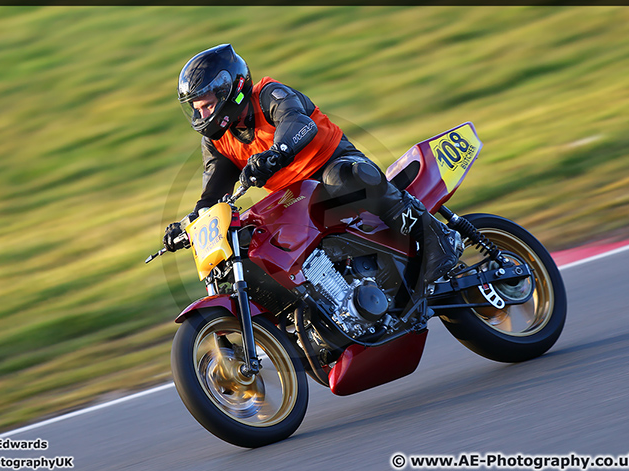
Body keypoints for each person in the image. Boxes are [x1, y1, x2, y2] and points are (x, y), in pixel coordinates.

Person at [164, 44, 462, 290]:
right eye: (196, 107)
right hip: (296, 195)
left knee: (343, 177)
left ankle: (436, 237)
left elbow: (297, 121)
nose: (202, 113)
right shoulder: (217, 141)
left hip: (335, 164)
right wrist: (191, 224)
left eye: (207, 104)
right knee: (262, 241)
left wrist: (277, 152)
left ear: (233, 90)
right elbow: (212, 193)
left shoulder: (268, 94)